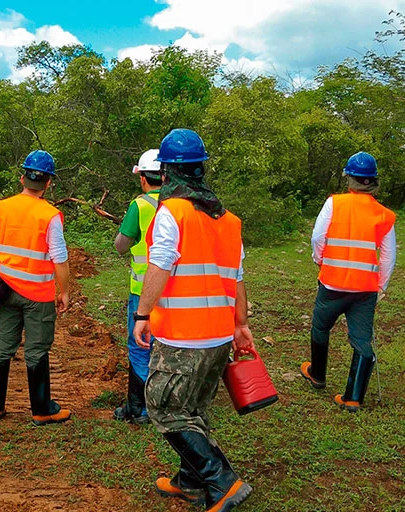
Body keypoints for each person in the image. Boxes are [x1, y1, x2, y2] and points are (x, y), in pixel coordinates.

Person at [133, 129, 254, 511]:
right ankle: (190, 481)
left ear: (166, 172)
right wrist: (240, 325)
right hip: (218, 335)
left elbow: (160, 264)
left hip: (183, 336)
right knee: (194, 410)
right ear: (202, 169)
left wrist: (142, 313)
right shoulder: (228, 220)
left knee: (164, 406)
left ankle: (222, 480)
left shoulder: (173, 212)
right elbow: (237, 277)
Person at [0, 149, 72, 426]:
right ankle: (41, 411)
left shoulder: (3, 207)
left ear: (22, 179)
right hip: (38, 295)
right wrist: (64, 292)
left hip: (7, 291)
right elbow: (59, 258)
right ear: (48, 182)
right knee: (36, 350)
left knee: (3, 346)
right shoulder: (50, 215)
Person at [300, 152, 396, 412]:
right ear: (373, 181)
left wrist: (320, 260)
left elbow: (317, 237)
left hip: (332, 285)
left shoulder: (335, 203)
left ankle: (317, 375)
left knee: (320, 328)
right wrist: (381, 286)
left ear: (349, 178)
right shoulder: (385, 215)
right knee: (362, 340)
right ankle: (353, 397)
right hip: (365, 290)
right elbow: (389, 255)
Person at [112, 149, 162, 425]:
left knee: (140, 343)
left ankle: (140, 407)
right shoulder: (181, 203)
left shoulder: (140, 205)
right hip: (176, 289)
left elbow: (121, 245)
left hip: (143, 289)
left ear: (143, 178)